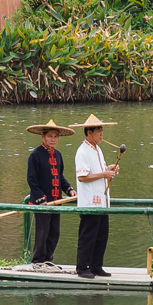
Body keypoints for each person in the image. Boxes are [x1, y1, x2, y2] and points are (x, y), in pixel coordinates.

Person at [72, 113, 120, 278]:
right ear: (89, 132)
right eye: (98, 131)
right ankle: (82, 267)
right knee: (88, 236)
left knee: (101, 236)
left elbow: (99, 170)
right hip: (89, 202)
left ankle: (96, 266)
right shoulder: (83, 151)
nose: (101, 134)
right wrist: (103, 174)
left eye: (101, 131)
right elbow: (82, 177)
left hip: (101, 201)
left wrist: (110, 168)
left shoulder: (98, 149)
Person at [25, 119, 76, 269]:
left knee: (55, 233)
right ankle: (38, 262)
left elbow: (60, 177)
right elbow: (31, 179)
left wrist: (69, 190)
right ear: (43, 137)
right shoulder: (35, 155)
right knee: (43, 232)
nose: (53, 140)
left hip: (56, 201)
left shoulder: (58, 155)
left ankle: (48, 260)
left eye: (56, 137)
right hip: (41, 202)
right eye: (50, 136)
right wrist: (41, 198)